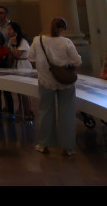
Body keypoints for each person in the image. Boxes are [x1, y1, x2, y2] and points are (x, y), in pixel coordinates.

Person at [28, 17, 82, 156]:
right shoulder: (66, 42)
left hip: (45, 80)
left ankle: (44, 144)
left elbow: (31, 58)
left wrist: (43, 69)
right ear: (62, 29)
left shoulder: (37, 40)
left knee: (45, 111)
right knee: (67, 112)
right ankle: (67, 147)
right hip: (65, 81)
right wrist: (68, 66)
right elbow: (77, 61)